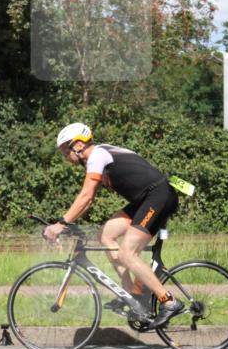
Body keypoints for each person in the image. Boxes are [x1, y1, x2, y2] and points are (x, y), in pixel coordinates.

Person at [43, 122, 183, 328]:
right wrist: (67, 222)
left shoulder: (97, 156)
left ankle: (168, 301)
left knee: (127, 253)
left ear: (78, 145)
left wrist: (62, 223)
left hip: (158, 196)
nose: (65, 156)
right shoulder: (98, 157)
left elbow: (86, 196)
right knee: (106, 235)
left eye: (65, 150)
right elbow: (88, 201)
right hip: (145, 199)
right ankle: (132, 295)